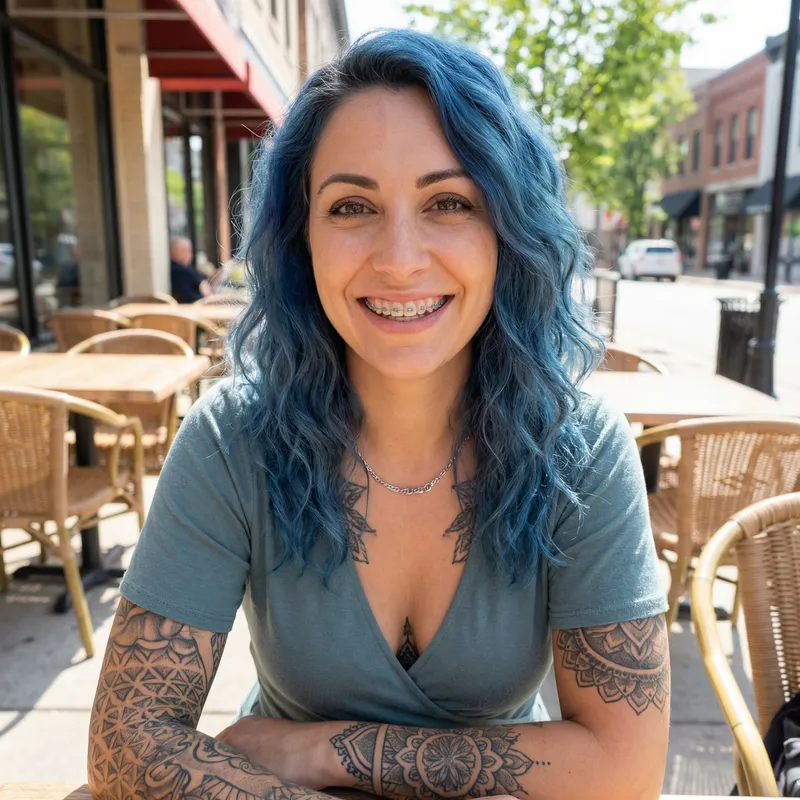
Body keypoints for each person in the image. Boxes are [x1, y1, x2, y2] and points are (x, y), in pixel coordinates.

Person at [89, 29, 670, 800]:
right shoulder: (232, 440)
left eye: (449, 203)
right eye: (352, 206)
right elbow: (126, 742)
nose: (399, 259)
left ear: (509, 231)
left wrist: (323, 751)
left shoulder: (579, 448)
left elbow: (625, 769)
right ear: (301, 239)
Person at [170, 235, 212, 302]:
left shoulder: (184, 269)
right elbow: (192, 297)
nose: (190, 255)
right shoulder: (182, 271)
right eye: (186, 251)